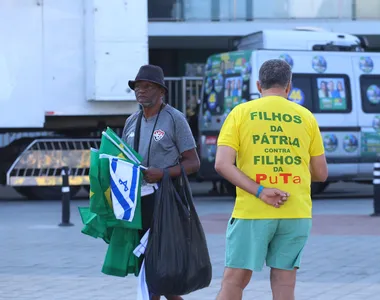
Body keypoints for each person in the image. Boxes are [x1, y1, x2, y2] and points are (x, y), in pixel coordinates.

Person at [214, 59, 328, 300]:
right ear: (289, 86)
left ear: (258, 85)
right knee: (285, 283)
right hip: (296, 210)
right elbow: (321, 173)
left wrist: (260, 190)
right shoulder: (306, 117)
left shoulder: (240, 113)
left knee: (234, 280)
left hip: (253, 210)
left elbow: (222, 164)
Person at [122, 64, 200, 300]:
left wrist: (163, 173)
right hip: (138, 203)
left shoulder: (174, 119)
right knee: (153, 270)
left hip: (166, 201)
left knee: (158, 269)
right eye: (137, 86)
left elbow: (193, 163)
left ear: (161, 91)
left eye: (147, 86)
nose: (140, 91)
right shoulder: (131, 121)